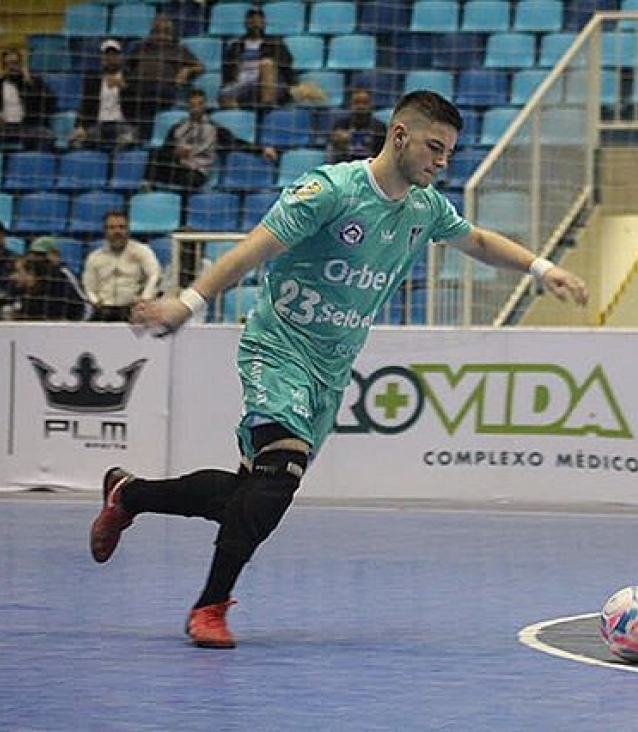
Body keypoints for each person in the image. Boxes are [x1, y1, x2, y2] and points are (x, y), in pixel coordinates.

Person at [89, 91, 588, 649]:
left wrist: (541, 268)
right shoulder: (330, 191)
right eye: (433, 147)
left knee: (247, 496)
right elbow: (254, 249)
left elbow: (476, 240)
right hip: (278, 346)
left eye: (448, 152)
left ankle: (129, 495)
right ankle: (209, 607)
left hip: (330, 370)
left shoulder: (423, 208)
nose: (442, 162)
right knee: (280, 474)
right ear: (399, 135)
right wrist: (189, 303)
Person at [145, 88, 278, 193]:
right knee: (153, 155)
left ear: (205, 105)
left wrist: (262, 149)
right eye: (192, 104)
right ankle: (147, 188)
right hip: (177, 167)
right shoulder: (177, 128)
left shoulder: (215, 129)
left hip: (197, 172)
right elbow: (164, 151)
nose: (196, 108)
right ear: (187, 106)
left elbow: (236, 143)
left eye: (199, 104)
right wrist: (174, 153)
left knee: (189, 179)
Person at [126, 15, 205, 141]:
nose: (161, 35)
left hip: (162, 88)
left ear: (171, 34)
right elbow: (128, 67)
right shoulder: (141, 47)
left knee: (149, 96)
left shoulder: (178, 49)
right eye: (157, 31)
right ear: (152, 33)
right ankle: (132, 133)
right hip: (135, 89)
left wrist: (187, 69)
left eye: (165, 32)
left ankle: (142, 138)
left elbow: (201, 67)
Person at [81, 210, 161, 322]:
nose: (117, 231)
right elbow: (89, 286)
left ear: (128, 229)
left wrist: (145, 298)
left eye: (121, 227)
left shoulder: (142, 251)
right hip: (103, 310)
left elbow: (154, 275)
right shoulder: (94, 257)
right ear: (105, 231)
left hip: (134, 310)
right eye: (112, 227)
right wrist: (95, 301)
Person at [0, 49, 55, 151]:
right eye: (6, 64)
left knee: (46, 135)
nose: (11, 67)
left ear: (21, 64)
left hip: (26, 127)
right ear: (3, 67)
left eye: (14, 63)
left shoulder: (34, 82)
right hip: (1, 128)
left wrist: (31, 84)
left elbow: (50, 103)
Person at [69, 40, 140, 151]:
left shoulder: (131, 78)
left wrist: (124, 87)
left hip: (122, 124)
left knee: (128, 138)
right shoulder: (92, 80)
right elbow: (84, 105)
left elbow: (139, 104)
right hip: (98, 125)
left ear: (121, 57)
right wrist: (79, 126)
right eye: (107, 55)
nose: (111, 58)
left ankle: (114, 162)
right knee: (76, 141)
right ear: (102, 59)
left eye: (114, 55)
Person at [219, 7, 295, 110]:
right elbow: (227, 73)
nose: (255, 22)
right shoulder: (235, 46)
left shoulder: (275, 43)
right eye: (251, 19)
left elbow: (286, 67)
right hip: (244, 85)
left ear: (264, 23)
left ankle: (265, 109)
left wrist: (293, 86)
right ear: (245, 23)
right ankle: (240, 119)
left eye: (259, 19)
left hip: (271, 84)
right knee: (225, 94)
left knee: (266, 64)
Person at [9, 243, 93, 321]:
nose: (12, 277)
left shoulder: (59, 281)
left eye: (17, 272)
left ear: (31, 273)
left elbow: (82, 307)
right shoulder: (19, 288)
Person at [326, 89, 387, 164]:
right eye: (356, 103)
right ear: (350, 105)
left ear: (371, 105)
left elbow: (383, 154)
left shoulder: (379, 127)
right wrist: (339, 144)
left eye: (365, 103)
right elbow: (331, 152)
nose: (360, 106)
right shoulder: (340, 125)